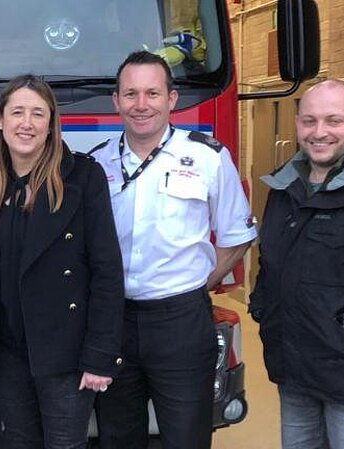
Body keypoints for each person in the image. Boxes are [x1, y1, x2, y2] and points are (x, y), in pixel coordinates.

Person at [89, 50, 257, 449]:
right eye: (130, 94)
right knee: (117, 437)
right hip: (114, 324)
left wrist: (198, 282)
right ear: (116, 102)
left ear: (171, 99)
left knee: (187, 438)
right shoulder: (95, 165)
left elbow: (238, 234)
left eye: (152, 93)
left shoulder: (207, 158)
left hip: (180, 323)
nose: (141, 105)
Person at [0, 74, 125, 449]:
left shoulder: (83, 177)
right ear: (0, 120)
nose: (26, 124)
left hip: (66, 352)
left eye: (37, 114)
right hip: (5, 353)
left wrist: (99, 355)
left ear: (51, 124)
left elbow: (107, 271)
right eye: (17, 112)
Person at [250, 80, 344, 449]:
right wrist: (263, 309)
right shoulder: (285, 188)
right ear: (297, 124)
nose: (320, 132)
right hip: (294, 370)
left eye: (334, 121)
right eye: (309, 121)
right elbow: (270, 264)